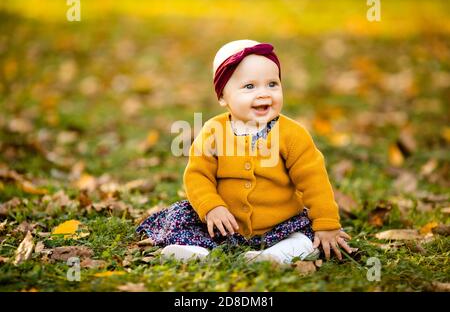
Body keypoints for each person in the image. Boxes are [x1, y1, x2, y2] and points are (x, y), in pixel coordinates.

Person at [136, 39, 354, 264]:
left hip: (280, 223)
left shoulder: (292, 134)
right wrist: (212, 207)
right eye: (249, 86)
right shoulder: (213, 131)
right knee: (183, 217)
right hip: (223, 223)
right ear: (222, 97)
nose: (263, 94)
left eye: (272, 84)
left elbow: (314, 180)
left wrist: (327, 224)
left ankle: (273, 256)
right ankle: (199, 253)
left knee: (306, 236)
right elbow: (197, 175)